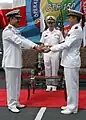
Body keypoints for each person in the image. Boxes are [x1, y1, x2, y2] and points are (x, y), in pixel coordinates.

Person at [43, 9, 83, 114]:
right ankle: (70, 105)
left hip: (71, 61)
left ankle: (73, 107)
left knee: (72, 85)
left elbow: (66, 44)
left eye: (70, 17)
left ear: (75, 18)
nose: (68, 19)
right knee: (69, 85)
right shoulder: (73, 29)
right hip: (68, 61)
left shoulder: (77, 29)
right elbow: (65, 43)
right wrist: (52, 47)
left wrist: (51, 48)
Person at [2, 9, 42, 113]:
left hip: (16, 61)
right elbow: (19, 41)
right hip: (10, 62)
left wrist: (35, 45)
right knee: (11, 85)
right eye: (16, 19)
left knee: (16, 84)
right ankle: (11, 104)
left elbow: (24, 40)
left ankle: (16, 101)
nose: (18, 21)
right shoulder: (7, 31)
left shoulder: (15, 31)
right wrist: (35, 46)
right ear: (11, 19)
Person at [40, 16, 64, 91]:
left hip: (55, 52)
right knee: (47, 67)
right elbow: (41, 44)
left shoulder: (58, 32)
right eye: (49, 22)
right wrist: (43, 48)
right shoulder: (44, 33)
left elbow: (62, 43)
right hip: (46, 52)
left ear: (54, 23)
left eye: (52, 22)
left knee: (55, 67)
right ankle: (48, 84)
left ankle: (54, 85)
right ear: (47, 23)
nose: (50, 24)